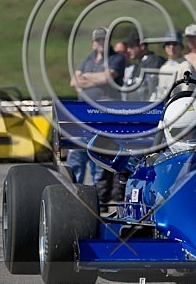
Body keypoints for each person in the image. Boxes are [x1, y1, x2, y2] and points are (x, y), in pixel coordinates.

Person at [66, 27, 126, 198]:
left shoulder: (116, 58)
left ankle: (97, 197)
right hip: (84, 115)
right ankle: (73, 193)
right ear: (93, 43)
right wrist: (97, 78)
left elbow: (108, 77)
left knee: (99, 159)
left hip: (105, 115)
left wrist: (86, 77)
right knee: (76, 154)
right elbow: (73, 81)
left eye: (104, 39)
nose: (101, 43)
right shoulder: (88, 59)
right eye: (98, 40)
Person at [150, 31, 194, 101]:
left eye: (175, 44)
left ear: (181, 46)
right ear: (165, 47)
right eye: (168, 44)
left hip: (178, 104)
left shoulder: (186, 66)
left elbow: (187, 91)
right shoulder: (163, 67)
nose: (171, 47)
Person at [122, 32, 165, 101]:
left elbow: (151, 89)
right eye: (127, 47)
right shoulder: (139, 64)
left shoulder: (153, 62)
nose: (128, 50)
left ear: (142, 46)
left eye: (131, 46)